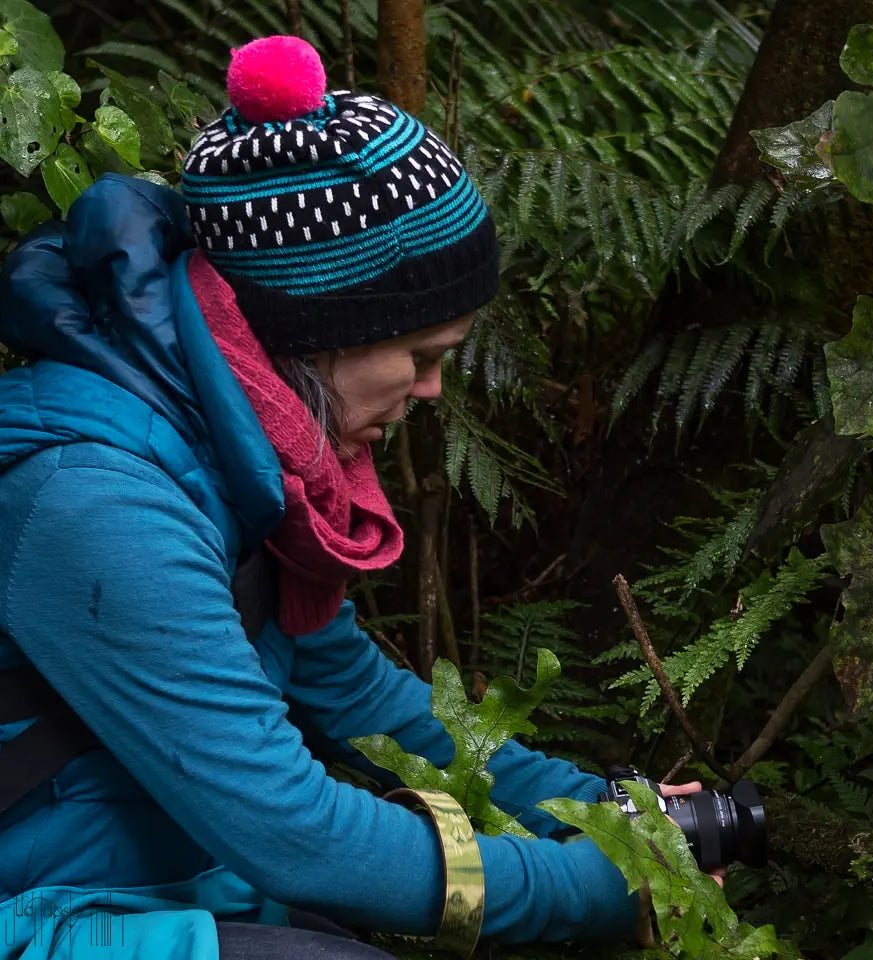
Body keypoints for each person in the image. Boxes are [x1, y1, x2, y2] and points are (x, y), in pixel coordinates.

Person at [0, 36, 705, 960]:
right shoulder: (97, 500)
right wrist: (602, 891)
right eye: (420, 357)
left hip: (157, 888)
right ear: (314, 332)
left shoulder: (232, 457)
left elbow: (363, 698)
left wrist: (614, 813)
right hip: (42, 909)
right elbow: (297, 837)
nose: (431, 392)